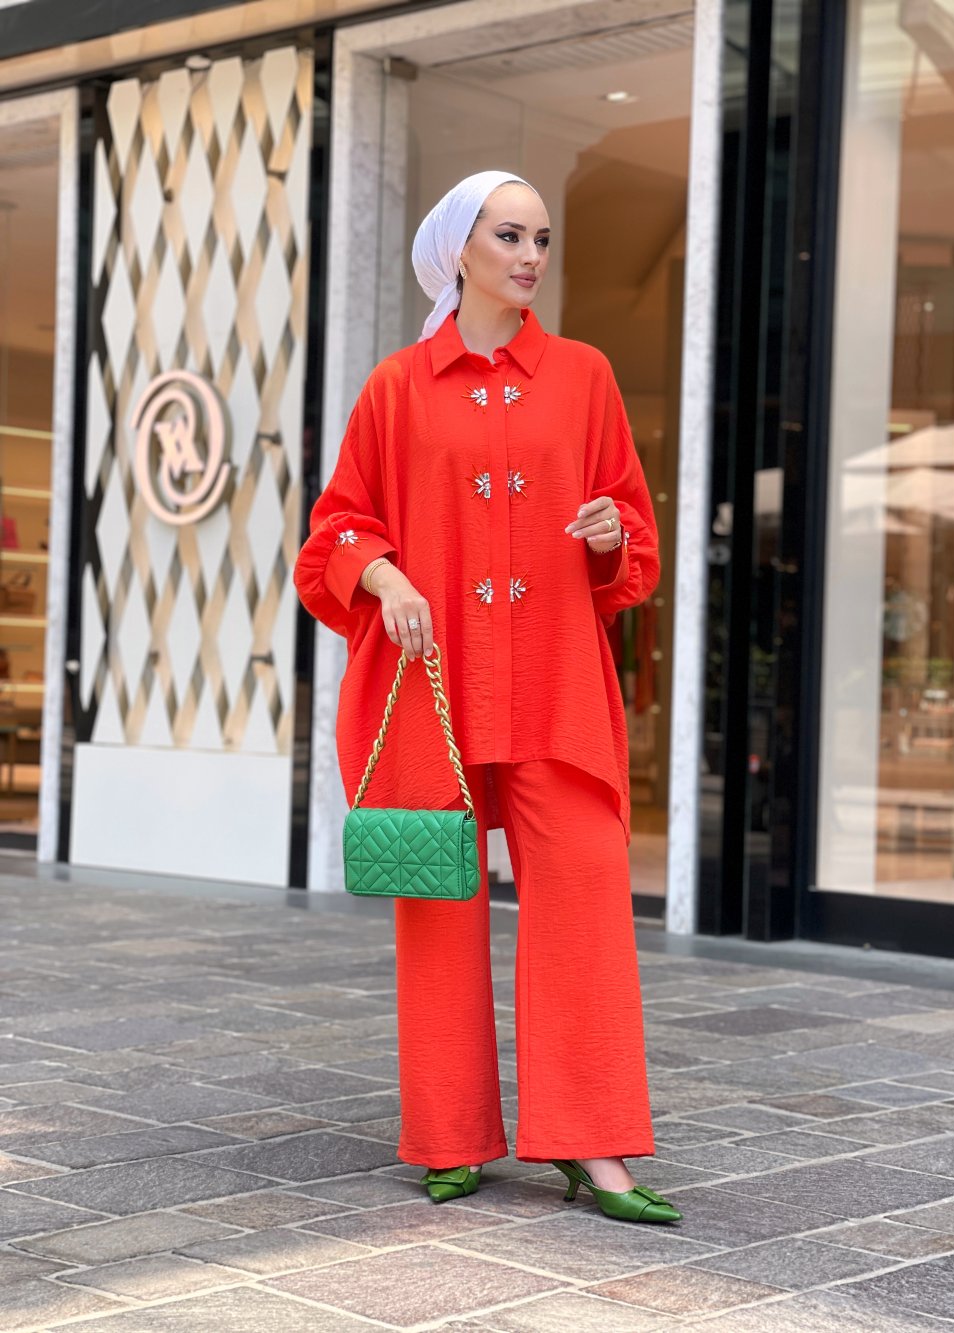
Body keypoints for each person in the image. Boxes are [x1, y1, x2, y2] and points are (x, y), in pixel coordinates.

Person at [294, 170, 681, 1225]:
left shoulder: (585, 376)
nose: (530, 257)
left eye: (542, 239)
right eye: (510, 236)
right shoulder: (396, 387)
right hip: (435, 686)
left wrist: (609, 536)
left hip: (555, 682)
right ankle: (449, 1135)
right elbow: (335, 532)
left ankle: (592, 1144)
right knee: (438, 908)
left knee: (587, 896)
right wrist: (386, 577)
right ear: (458, 247)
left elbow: (634, 540)